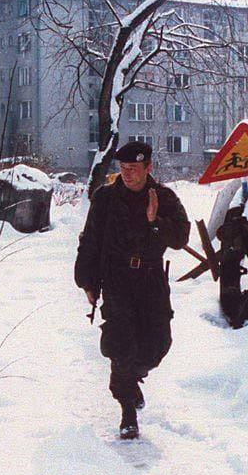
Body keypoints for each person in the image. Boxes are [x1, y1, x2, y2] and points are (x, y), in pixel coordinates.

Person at [74, 141, 190, 439]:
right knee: (122, 343)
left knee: (157, 344)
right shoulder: (106, 198)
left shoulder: (163, 197)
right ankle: (127, 411)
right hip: (117, 278)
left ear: (148, 167)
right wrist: (87, 280)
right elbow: (91, 240)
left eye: (133, 169)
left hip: (150, 279)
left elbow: (180, 237)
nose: (127, 174)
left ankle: (128, 377)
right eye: (123, 169)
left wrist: (155, 221)